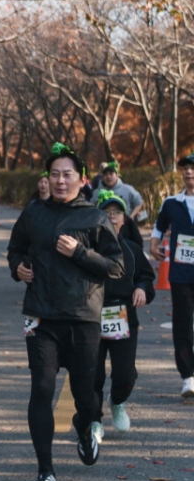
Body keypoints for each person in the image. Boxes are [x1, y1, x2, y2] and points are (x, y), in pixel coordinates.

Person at [6, 143, 124, 481]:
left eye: (67, 174)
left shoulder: (95, 217)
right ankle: (46, 471)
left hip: (82, 318)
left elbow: (115, 267)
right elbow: (14, 249)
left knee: (85, 394)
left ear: (82, 179)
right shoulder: (33, 214)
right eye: (54, 174)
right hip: (41, 316)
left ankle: (86, 424)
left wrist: (80, 252)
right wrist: (18, 268)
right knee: (41, 389)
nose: (60, 180)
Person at [90, 192, 155, 442]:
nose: (111, 217)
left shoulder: (132, 249)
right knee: (92, 375)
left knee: (125, 375)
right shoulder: (87, 248)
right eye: (106, 213)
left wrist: (141, 288)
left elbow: (146, 277)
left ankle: (117, 401)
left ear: (124, 219)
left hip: (124, 319)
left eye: (116, 213)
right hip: (92, 319)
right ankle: (95, 419)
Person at [149, 153, 194, 398]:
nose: (189, 172)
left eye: (193, 168)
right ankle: (188, 377)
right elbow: (159, 225)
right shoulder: (172, 203)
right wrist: (154, 243)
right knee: (183, 324)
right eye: (185, 169)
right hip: (181, 272)